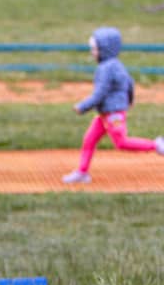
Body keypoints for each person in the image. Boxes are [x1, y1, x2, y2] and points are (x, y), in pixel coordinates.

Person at [62, 26, 164, 184]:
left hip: (113, 113)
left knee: (121, 142)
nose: (93, 52)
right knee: (90, 139)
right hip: (106, 113)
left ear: (105, 49)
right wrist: (130, 100)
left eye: (95, 49)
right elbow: (129, 83)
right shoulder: (116, 65)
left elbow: (100, 93)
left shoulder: (106, 69)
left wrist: (83, 107)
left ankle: (156, 145)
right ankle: (82, 172)